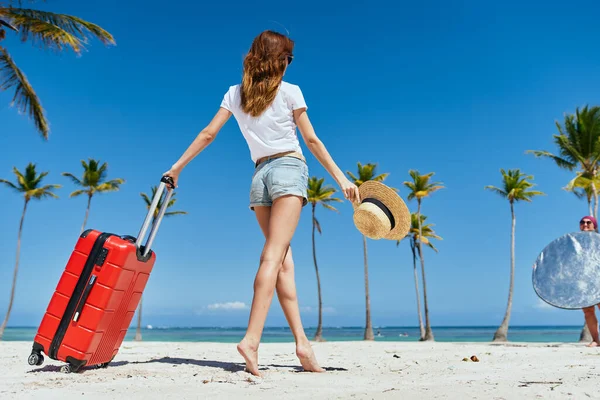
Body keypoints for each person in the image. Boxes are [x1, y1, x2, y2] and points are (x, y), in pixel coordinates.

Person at [162, 30, 360, 376]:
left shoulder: (234, 94)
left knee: (283, 262)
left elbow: (208, 134)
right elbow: (311, 139)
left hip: (259, 179)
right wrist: (342, 179)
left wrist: (176, 168)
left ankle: (302, 345)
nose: (289, 64)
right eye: (289, 58)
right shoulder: (290, 92)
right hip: (288, 170)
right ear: (279, 59)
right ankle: (251, 340)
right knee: (273, 256)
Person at [579, 215, 600, 347]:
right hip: (583, 280)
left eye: (588, 222)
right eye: (583, 222)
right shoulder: (572, 242)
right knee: (588, 311)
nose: (585, 224)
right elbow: (560, 260)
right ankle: (596, 340)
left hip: (598, 277)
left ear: (594, 226)